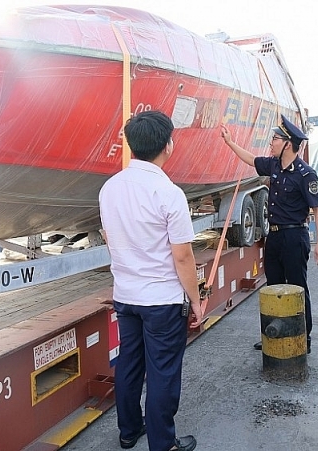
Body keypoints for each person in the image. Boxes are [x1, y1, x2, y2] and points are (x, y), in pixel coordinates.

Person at [99, 110, 204, 451]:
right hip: (161, 300)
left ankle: (129, 430)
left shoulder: (109, 188)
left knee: (130, 362)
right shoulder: (168, 193)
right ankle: (163, 444)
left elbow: (109, 236)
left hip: (126, 295)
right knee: (162, 371)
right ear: (167, 146)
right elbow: (183, 256)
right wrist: (197, 300)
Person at [220, 114, 318, 353]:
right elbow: (251, 159)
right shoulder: (274, 165)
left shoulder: (305, 174)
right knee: (273, 287)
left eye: (275, 139)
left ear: (287, 144)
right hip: (275, 237)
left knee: (298, 287)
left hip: (294, 237)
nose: (271, 143)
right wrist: (229, 142)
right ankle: (274, 335)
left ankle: (302, 336)